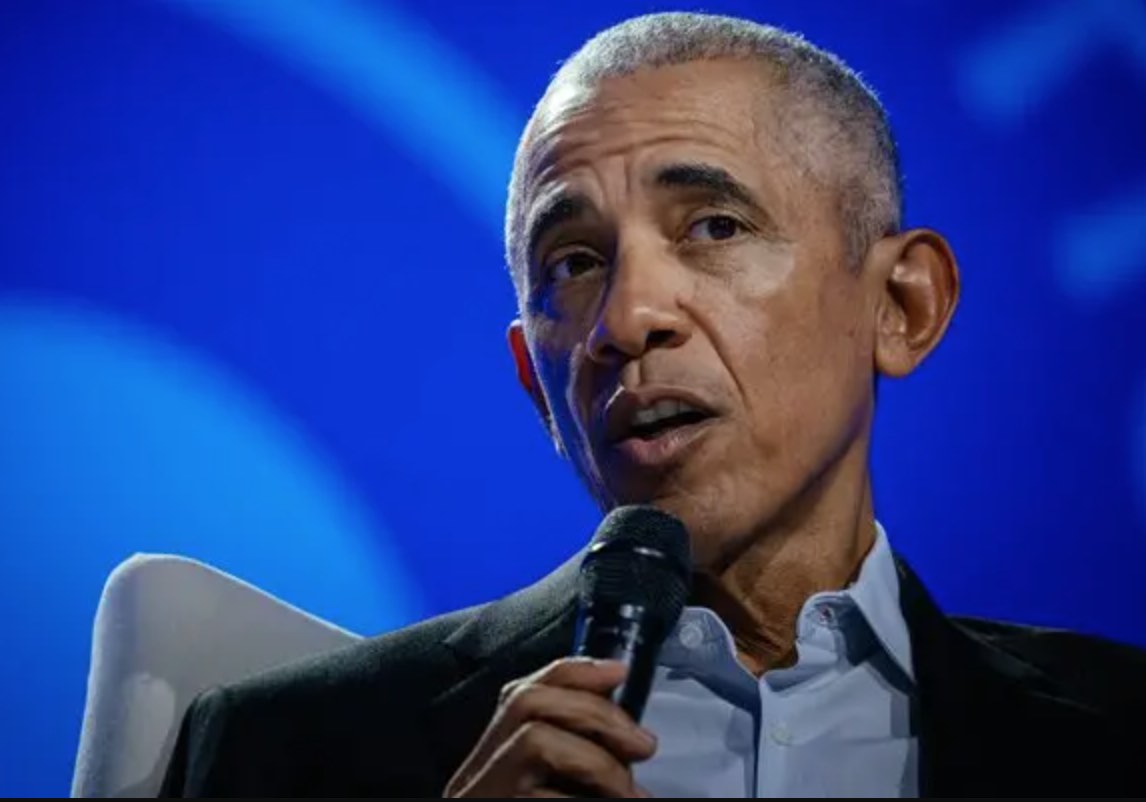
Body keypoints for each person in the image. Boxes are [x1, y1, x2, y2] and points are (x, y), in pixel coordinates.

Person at [160, 12, 1146, 798]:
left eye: (714, 226)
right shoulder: (285, 751)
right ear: (535, 384)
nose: (627, 321)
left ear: (900, 305)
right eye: (573, 263)